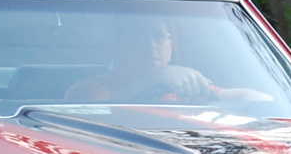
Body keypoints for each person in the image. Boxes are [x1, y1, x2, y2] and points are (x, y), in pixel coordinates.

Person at [66, 19, 269, 102]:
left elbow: (234, 96)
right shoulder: (91, 89)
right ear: (117, 46)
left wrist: (263, 103)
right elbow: (105, 113)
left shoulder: (179, 87)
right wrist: (156, 77)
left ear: (170, 47)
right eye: (139, 36)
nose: (150, 45)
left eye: (159, 37)